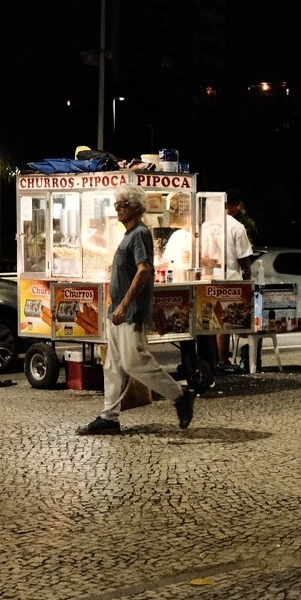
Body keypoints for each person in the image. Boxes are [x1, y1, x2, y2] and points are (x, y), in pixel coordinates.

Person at [77, 185, 195, 435]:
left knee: (133, 362)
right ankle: (109, 417)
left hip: (129, 312)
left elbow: (144, 270)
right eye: (117, 204)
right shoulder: (128, 235)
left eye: (122, 204)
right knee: (113, 366)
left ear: (136, 208)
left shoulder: (139, 233)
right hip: (118, 312)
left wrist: (124, 304)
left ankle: (179, 395)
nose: (117, 208)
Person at [207, 189, 254, 372]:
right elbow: (244, 258)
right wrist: (247, 278)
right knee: (224, 320)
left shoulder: (207, 225)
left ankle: (211, 359)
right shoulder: (236, 227)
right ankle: (222, 360)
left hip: (208, 275)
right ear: (235, 206)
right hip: (229, 277)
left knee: (209, 318)